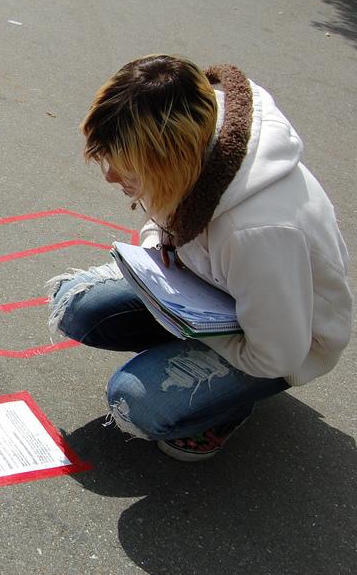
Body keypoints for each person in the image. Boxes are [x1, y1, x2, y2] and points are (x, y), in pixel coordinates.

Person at [47, 55, 352, 461]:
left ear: (172, 161)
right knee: (77, 302)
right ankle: (193, 357)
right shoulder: (203, 131)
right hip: (222, 286)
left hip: (286, 342)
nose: (111, 178)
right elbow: (168, 215)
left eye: (128, 170)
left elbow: (277, 353)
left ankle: (224, 407)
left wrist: (195, 327)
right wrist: (159, 244)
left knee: (137, 402)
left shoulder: (257, 233)